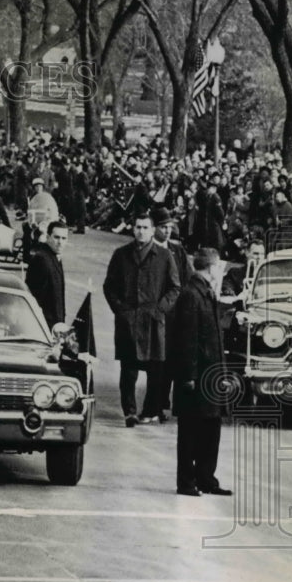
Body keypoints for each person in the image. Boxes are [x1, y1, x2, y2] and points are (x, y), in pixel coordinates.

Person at [103, 213, 181, 428]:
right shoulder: (121, 255)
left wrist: (160, 309)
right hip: (129, 320)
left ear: (152, 229)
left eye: (145, 227)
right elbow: (109, 287)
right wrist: (120, 310)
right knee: (128, 370)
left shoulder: (164, 256)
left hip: (154, 321)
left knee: (156, 370)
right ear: (133, 228)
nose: (141, 231)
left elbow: (175, 288)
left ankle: (149, 410)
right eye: (138, 227)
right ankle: (129, 412)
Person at [171, 248, 232, 496]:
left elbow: (214, 338)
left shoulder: (205, 293)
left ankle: (206, 477)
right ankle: (186, 481)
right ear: (210, 267)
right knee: (190, 432)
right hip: (196, 377)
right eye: (219, 267)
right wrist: (189, 377)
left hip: (211, 375)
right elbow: (187, 340)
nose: (220, 272)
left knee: (210, 429)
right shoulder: (191, 295)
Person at [150, 206, 193, 420]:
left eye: (169, 227)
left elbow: (189, 278)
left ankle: (165, 403)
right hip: (157, 314)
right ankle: (156, 405)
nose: (167, 231)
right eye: (162, 227)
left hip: (177, 316)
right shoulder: (148, 249)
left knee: (172, 362)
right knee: (158, 363)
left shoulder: (178, 251)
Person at [25, 220, 68, 330]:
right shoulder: (41, 259)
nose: (60, 242)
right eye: (56, 237)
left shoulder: (54, 257)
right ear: (48, 237)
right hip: (45, 326)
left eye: (64, 238)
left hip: (55, 325)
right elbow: (36, 297)